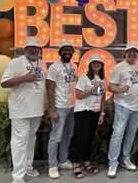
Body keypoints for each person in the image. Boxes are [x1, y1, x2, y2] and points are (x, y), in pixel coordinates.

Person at [0, 37, 48, 183]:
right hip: (20, 110)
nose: (33, 50)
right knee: (19, 141)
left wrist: (44, 105)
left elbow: (43, 85)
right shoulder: (15, 63)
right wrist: (23, 78)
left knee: (31, 138)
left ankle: (28, 167)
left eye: (36, 48)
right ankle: (18, 176)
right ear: (24, 49)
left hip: (36, 109)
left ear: (40, 50)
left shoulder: (42, 63)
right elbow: (4, 83)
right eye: (30, 47)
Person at [107, 43, 138, 178]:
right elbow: (110, 87)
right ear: (125, 53)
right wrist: (120, 90)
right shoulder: (119, 67)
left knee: (131, 134)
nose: (132, 54)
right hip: (123, 106)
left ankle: (125, 158)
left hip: (137, 107)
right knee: (117, 134)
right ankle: (112, 163)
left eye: (135, 52)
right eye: (129, 52)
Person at [46, 40, 78, 179]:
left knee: (67, 135)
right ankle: (52, 165)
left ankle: (63, 160)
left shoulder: (74, 66)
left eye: (69, 50)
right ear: (59, 52)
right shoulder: (54, 68)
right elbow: (50, 89)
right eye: (64, 50)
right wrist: (53, 110)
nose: (67, 52)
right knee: (55, 137)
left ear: (73, 52)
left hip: (72, 106)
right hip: (59, 107)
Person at [72, 54, 106, 179]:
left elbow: (103, 97)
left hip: (95, 112)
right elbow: (79, 95)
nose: (96, 64)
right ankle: (76, 164)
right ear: (90, 65)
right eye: (94, 63)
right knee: (83, 138)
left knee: (90, 138)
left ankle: (87, 162)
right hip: (82, 111)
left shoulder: (103, 79)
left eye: (99, 62)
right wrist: (93, 88)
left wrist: (102, 113)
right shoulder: (84, 78)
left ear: (102, 65)